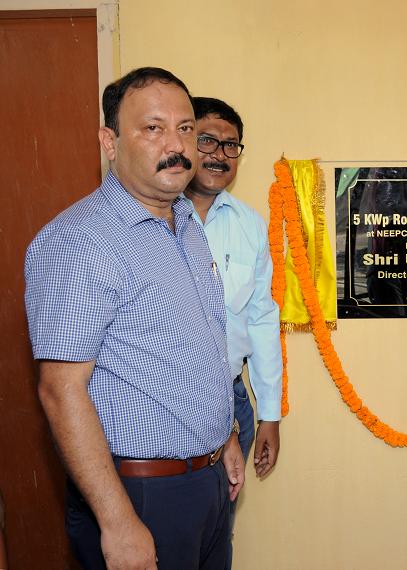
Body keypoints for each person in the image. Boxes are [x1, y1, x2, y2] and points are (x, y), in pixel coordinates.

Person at [24, 67, 243, 570]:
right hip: (141, 495)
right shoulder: (80, 242)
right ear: (110, 142)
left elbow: (199, 345)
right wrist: (117, 520)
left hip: (207, 483)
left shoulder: (185, 222)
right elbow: (60, 390)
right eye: (153, 128)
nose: (176, 145)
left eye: (185, 128)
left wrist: (224, 436)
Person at [183, 97, 283, 563]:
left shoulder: (249, 226)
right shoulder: (153, 218)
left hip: (231, 400)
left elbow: (261, 319)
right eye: (207, 140)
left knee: (216, 536)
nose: (219, 155)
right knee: (164, 540)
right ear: (184, 140)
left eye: (231, 145)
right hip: (163, 405)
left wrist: (270, 416)